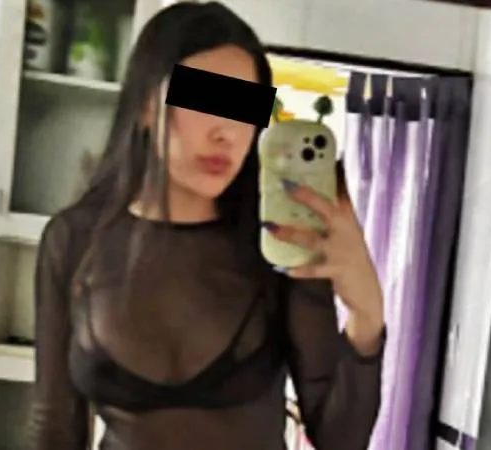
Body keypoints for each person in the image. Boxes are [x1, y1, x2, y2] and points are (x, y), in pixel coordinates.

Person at [29, 2, 385, 450]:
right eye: (205, 100)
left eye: (243, 109)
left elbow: (340, 438)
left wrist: (367, 314)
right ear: (146, 106)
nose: (227, 132)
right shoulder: (73, 240)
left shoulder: (279, 241)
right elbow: (54, 425)